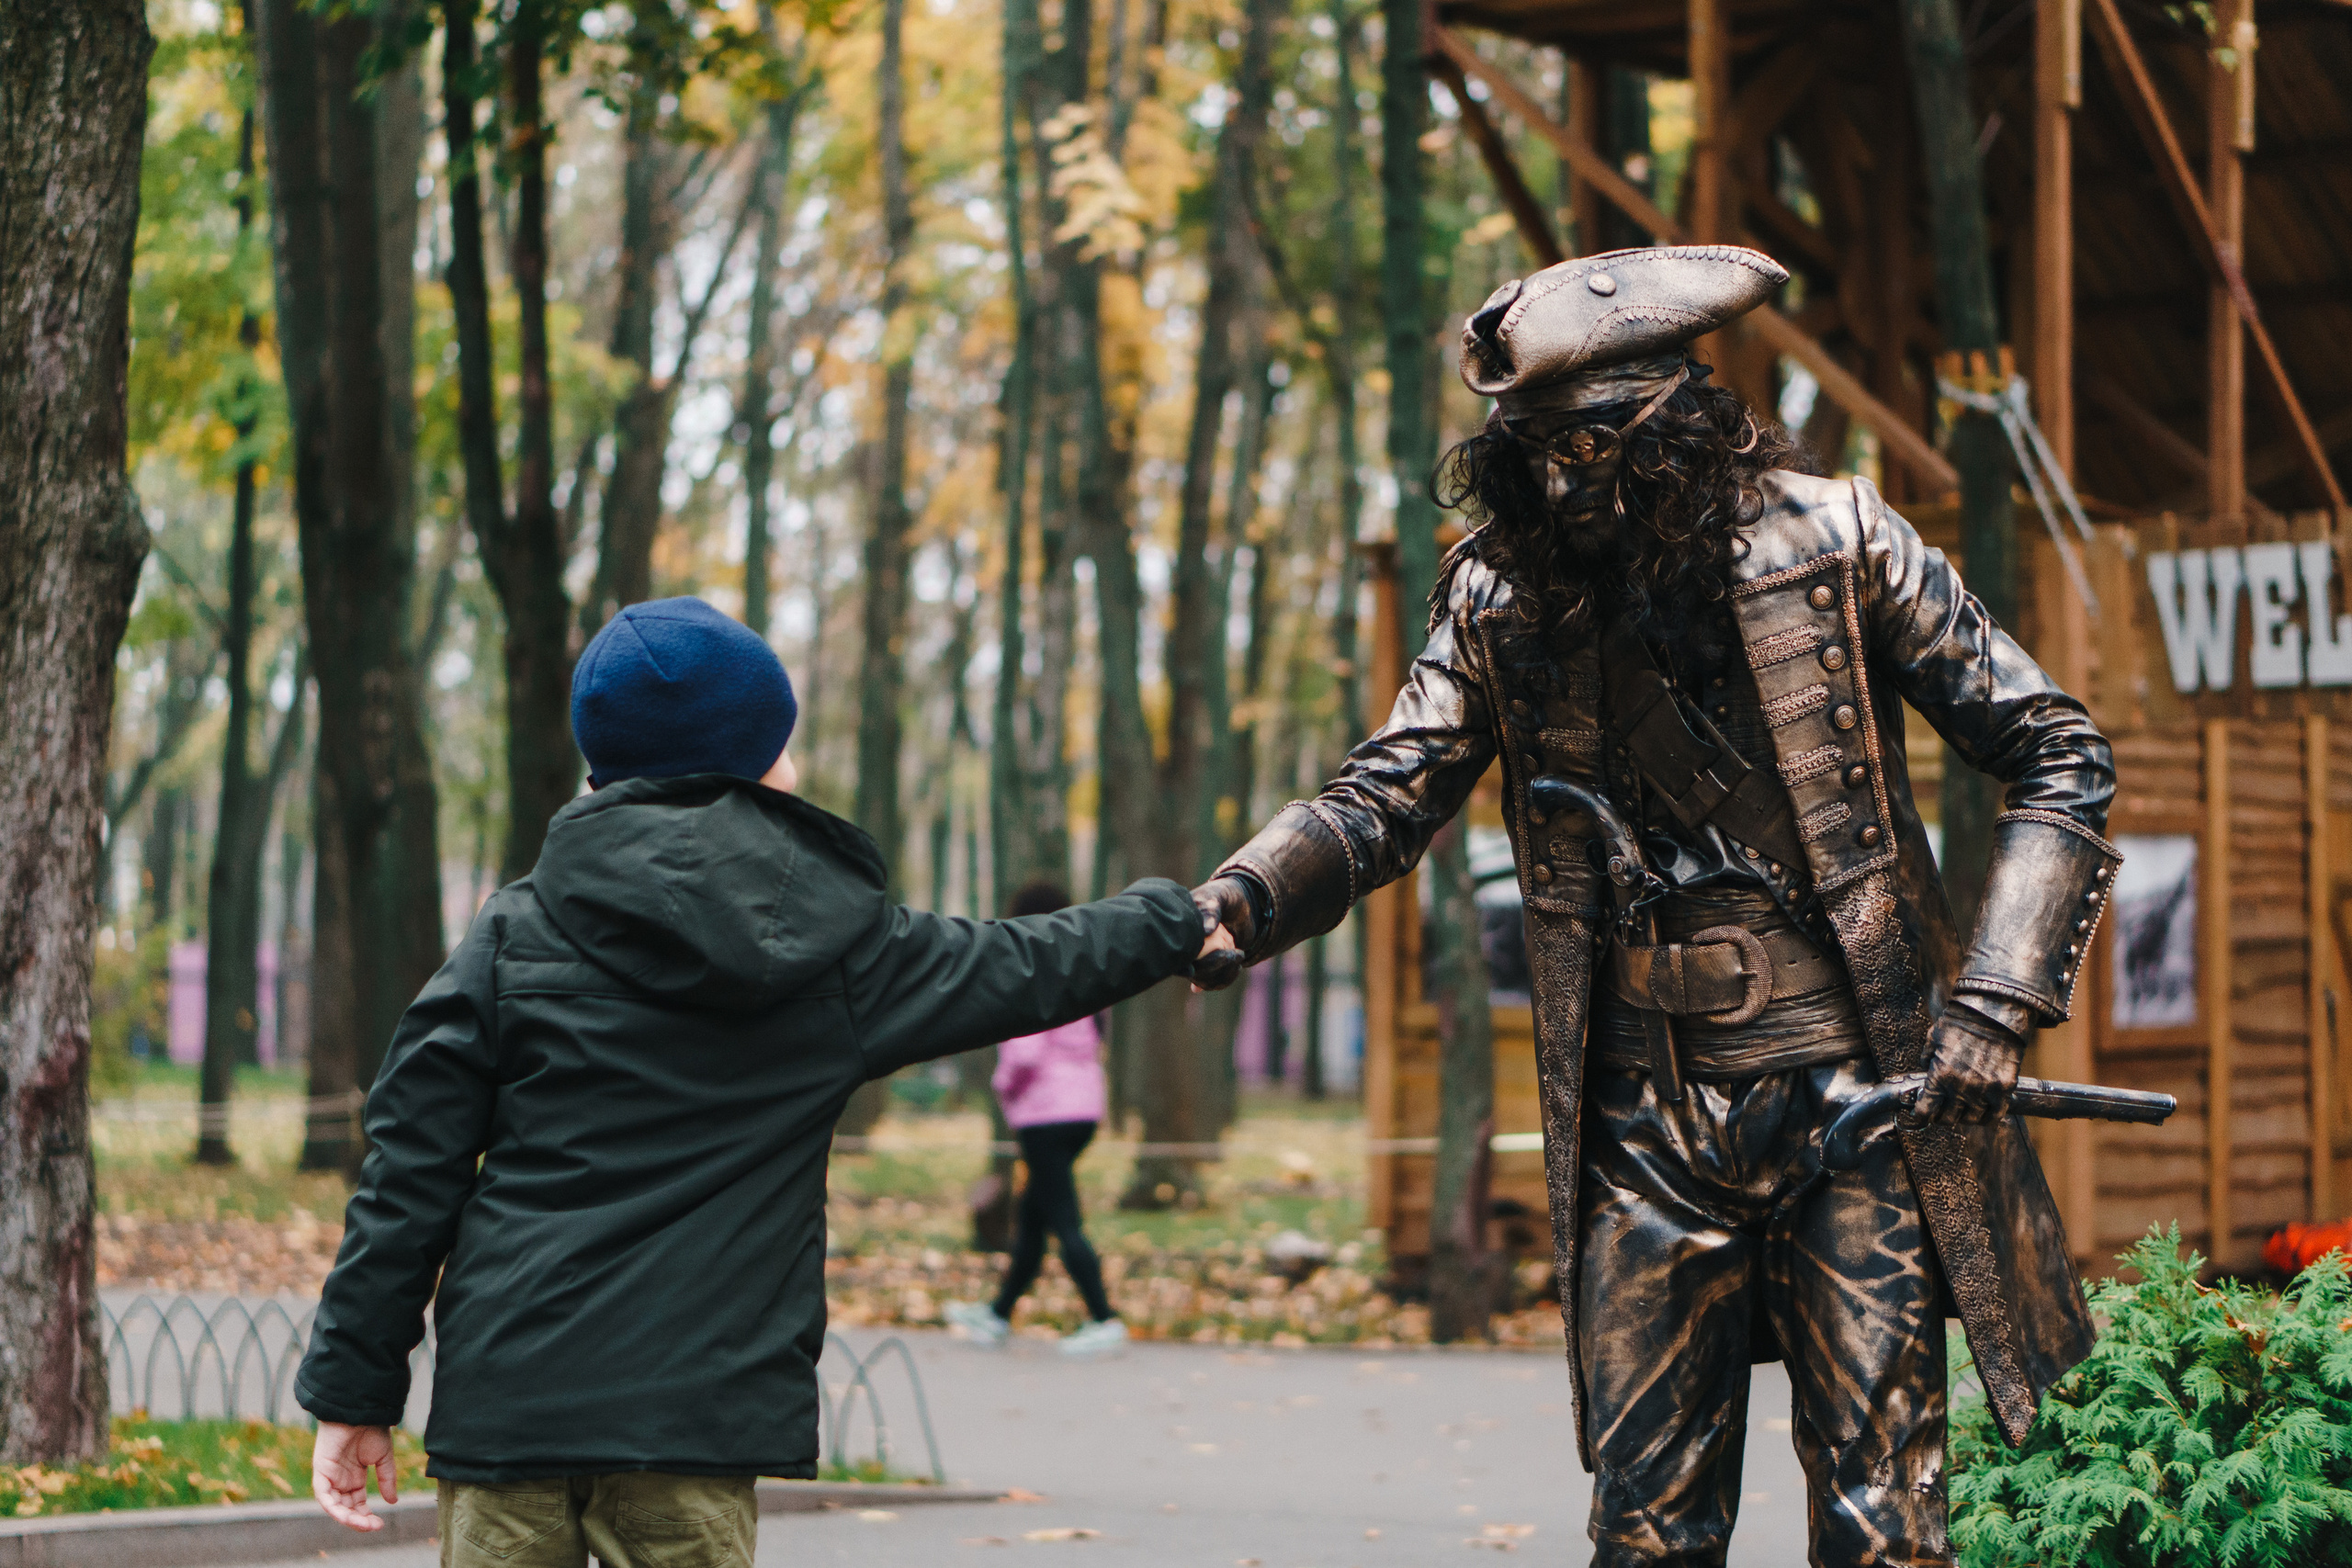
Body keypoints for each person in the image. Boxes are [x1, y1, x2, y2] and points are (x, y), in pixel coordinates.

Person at [1191, 247, 2119, 1567]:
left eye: (1592, 447)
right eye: (1538, 455)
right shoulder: (1496, 592)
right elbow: (1383, 793)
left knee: (1886, 1528)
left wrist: (1997, 1000)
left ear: (1679, 424)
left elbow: (2057, 749)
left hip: (1852, 1098)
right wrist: (1245, 893)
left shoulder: (1846, 537)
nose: (1565, 484)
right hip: (1644, 1117)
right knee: (1645, 1531)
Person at [296, 596, 1235, 1567]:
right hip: (689, 1423)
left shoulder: (506, 937)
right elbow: (1026, 964)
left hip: (507, 1411)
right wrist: (1174, 920)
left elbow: (409, 1176)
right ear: (759, 765)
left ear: (598, 771)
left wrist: (353, 1396)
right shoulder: (831, 951)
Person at [945, 881, 1125, 1357]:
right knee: (1033, 1219)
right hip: (1083, 1110)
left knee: (1064, 1219)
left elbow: (1024, 1049)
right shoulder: (1080, 967)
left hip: (1046, 1114)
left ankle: (1105, 1319)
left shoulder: (1033, 968)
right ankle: (998, 1314)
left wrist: (1002, 1088)